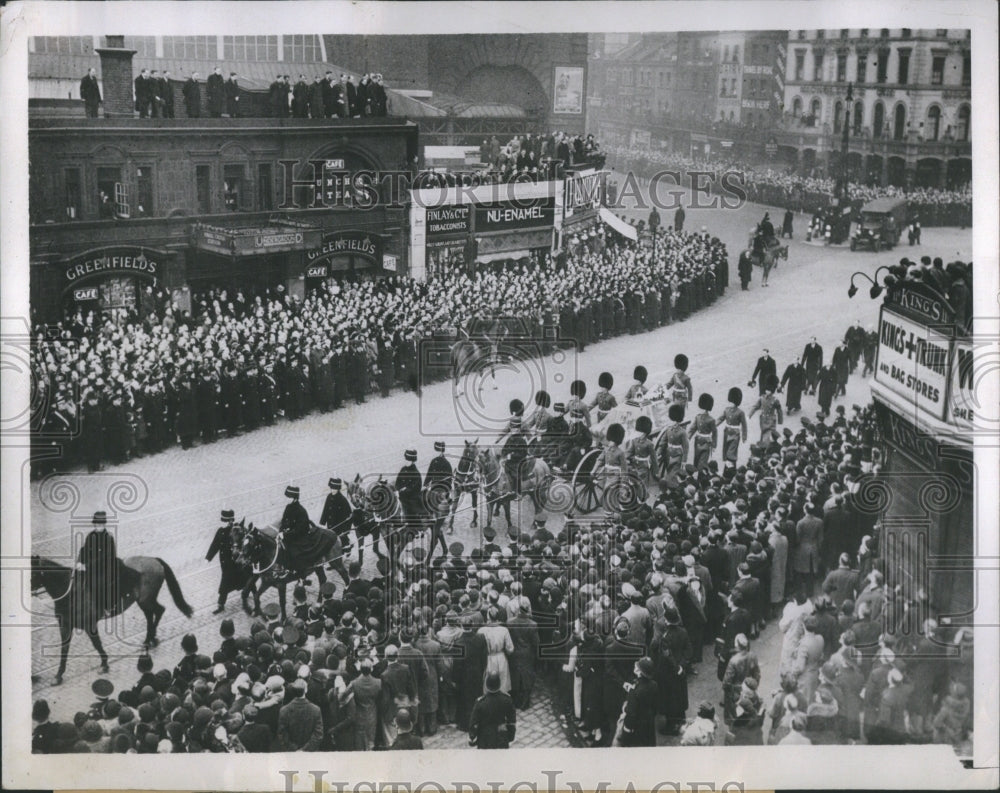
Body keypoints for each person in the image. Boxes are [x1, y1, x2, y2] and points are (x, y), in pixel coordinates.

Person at [76, 510, 120, 617]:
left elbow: (105, 557)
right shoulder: (91, 535)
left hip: (105, 567)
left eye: (101, 524)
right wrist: (79, 561)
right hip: (90, 566)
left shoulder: (108, 538)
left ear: (104, 524)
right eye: (97, 524)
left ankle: (106, 606)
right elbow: (84, 549)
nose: (98, 526)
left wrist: (87, 566)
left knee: (98, 583)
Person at [205, 508, 246, 614]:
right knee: (234, 579)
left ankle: (221, 604)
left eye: (230, 521)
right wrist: (208, 557)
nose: (229, 523)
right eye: (227, 521)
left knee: (227, 581)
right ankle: (248, 591)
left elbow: (241, 542)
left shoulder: (236, 529)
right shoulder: (221, 531)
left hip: (233, 561)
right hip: (225, 561)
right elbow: (215, 545)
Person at [614, 657, 658, 747]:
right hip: (648, 724)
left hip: (636, 728)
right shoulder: (654, 685)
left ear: (640, 672)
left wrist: (626, 731)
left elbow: (631, 713)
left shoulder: (634, 692)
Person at [469, 672, 517, 749]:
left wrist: (472, 737)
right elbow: (511, 721)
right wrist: (510, 736)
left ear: (487, 685)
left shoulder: (480, 702)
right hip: (501, 737)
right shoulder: (507, 700)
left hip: (485, 739)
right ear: (499, 684)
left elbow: (474, 723)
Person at [277, 679, 323, 751]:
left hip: (292, 753)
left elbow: (282, 735)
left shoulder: (284, 710)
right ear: (306, 690)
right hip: (310, 753)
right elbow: (318, 735)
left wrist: (294, 749)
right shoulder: (316, 710)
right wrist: (304, 750)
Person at [319, 477, 353, 557]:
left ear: (338, 489)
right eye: (331, 488)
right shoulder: (329, 497)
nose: (332, 490)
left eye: (334, 489)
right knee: (332, 543)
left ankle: (347, 549)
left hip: (340, 526)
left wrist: (345, 529)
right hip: (331, 525)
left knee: (341, 541)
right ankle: (334, 559)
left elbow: (349, 515)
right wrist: (323, 522)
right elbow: (325, 510)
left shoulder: (342, 499)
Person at [748, 375, 783, 445]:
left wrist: (780, 421)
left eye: (768, 390)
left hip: (771, 421)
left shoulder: (775, 400)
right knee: (763, 433)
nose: (766, 391)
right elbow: (755, 406)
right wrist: (749, 415)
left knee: (768, 437)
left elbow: (779, 410)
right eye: (766, 390)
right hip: (763, 420)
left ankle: (765, 447)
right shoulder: (762, 398)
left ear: (772, 391)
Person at [688, 393, 717, 470]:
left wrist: (714, 445)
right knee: (696, 461)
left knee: (702, 464)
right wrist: (688, 437)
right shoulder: (698, 417)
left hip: (706, 444)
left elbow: (715, 433)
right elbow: (692, 429)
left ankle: (701, 478)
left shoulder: (711, 420)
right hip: (697, 443)